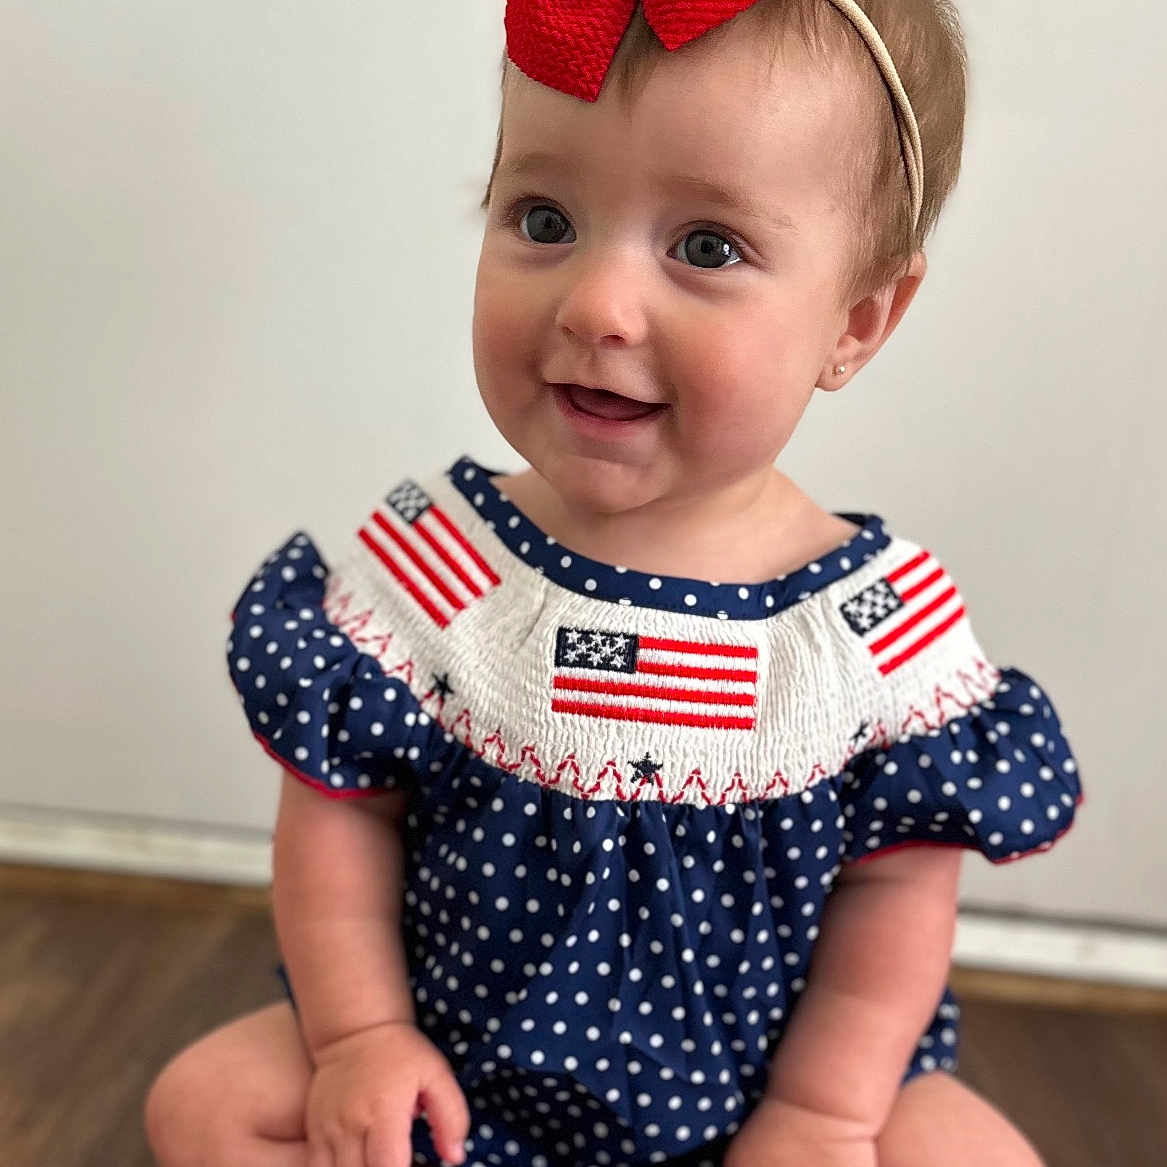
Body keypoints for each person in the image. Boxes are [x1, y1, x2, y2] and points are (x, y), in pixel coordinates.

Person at [144, 2, 1083, 1165]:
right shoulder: (444, 568)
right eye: (544, 219)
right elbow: (340, 818)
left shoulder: (869, 637)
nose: (594, 306)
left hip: (768, 1098)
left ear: (856, 320)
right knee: (205, 1103)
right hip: (456, 1067)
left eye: (706, 248)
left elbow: (895, 906)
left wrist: (823, 1117)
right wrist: (362, 1036)